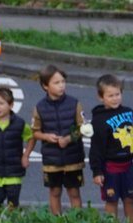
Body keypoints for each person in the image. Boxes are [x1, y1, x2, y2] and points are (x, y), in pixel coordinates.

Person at [24, 64, 85, 215]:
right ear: (45, 86)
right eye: (56, 83)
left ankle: (78, 221)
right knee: (54, 191)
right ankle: (56, 220)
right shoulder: (40, 107)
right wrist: (46, 136)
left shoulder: (74, 103)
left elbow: (83, 128)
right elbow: (35, 132)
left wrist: (69, 138)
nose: (61, 85)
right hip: (51, 159)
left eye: (63, 82)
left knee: (74, 192)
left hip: (73, 157)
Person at [90, 74, 133, 223]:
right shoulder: (99, 120)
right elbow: (96, 147)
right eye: (110, 95)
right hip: (110, 168)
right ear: (101, 97)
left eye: (117, 94)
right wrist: (97, 171)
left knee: (130, 198)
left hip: (128, 165)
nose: (115, 98)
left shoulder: (129, 112)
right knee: (111, 200)